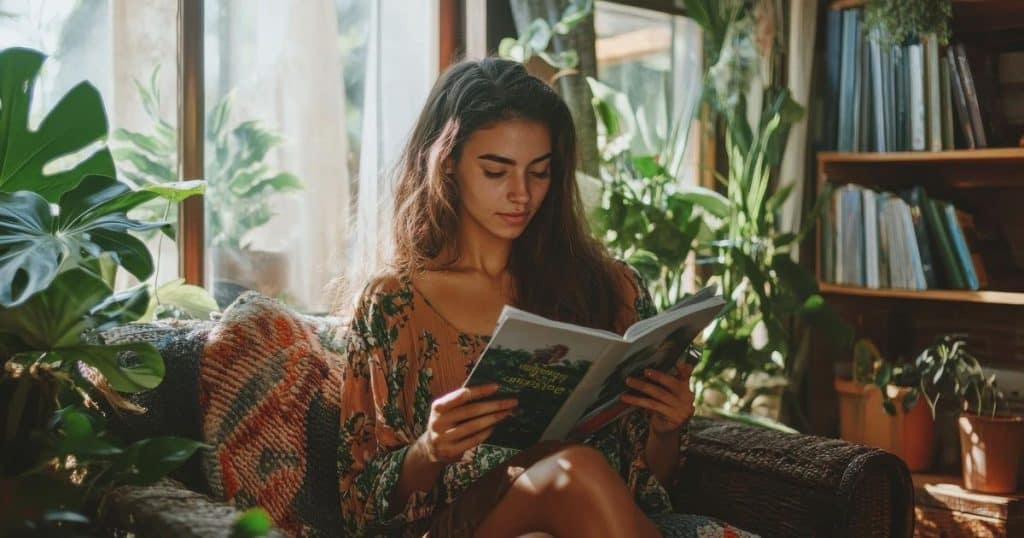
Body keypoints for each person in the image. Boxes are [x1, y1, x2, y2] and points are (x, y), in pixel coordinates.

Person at [337, 58, 753, 538]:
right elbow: (358, 508)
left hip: (586, 519)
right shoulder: (393, 306)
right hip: (464, 525)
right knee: (574, 472)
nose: (522, 194)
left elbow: (648, 488)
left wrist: (667, 429)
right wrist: (429, 449)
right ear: (447, 164)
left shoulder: (612, 289)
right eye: (496, 171)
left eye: (540, 173)